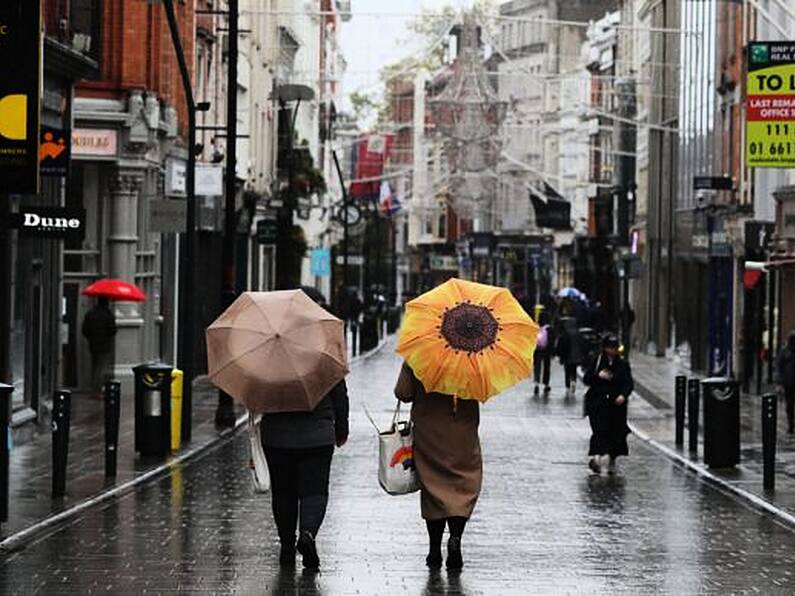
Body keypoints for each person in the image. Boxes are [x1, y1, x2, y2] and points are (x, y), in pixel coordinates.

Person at [260, 299, 350, 571]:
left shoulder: (269, 355)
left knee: (283, 493)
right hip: (317, 435)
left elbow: (257, 392)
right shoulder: (323, 353)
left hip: (277, 436)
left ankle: (287, 547)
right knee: (314, 490)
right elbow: (339, 394)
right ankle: (308, 534)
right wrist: (341, 428)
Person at [395, 362, 481, 571]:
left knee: (433, 486)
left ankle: (434, 550)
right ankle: (456, 537)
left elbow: (403, 393)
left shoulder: (420, 354)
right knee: (463, 484)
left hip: (429, 432)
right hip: (463, 432)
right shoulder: (474, 357)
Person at [583, 335, 634, 475]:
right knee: (600, 431)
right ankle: (597, 457)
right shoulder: (598, 362)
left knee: (615, 432)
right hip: (598, 404)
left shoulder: (623, 364)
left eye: (615, 347)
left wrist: (623, 395)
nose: (612, 350)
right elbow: (587, 379)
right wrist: (598, 376)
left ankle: (610, 458)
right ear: (605, 348)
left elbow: (628, 383)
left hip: (616, 406)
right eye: (610, 347)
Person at [81, 296, 117, 395]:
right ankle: (97, 390)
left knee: (95, 366)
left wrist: (91, 337)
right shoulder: (108, 314)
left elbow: (85, 330)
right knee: (101, 368)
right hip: (104, 344)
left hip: (93, 344)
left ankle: (93, 387)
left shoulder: (90, 313)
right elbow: (113, 330)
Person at [555, 316, 585, 397]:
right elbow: (583, 344)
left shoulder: (565, 334)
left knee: (567, 371)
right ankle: (574, 382)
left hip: (567, 356)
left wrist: (559, 354)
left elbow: (560, 346)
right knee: (574, 370)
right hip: (576, 356)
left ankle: (568, 386)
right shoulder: (578, 333)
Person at [776, 331, 795, 434]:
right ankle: (791, 424)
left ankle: (791, 424)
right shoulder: (784, 352)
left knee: (790, 404)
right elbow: (779, 367)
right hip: (788, 383)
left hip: (788, 382)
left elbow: (779, 367)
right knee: (789, 404)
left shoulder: (784, 352)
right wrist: (779, 383)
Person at [533, 304, 552, 396]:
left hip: (537, 349)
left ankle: (536, 383)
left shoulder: (536, 327)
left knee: (537, 366)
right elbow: (552, 341)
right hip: (547, 350)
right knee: (546, 367)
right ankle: (546, 384)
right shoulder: (549, 328)